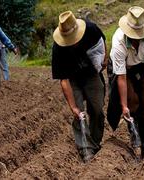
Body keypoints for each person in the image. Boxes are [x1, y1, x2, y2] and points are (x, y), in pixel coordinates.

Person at [108, 6, 144, 158]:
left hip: (140, 66)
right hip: (123, 70)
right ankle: (134, 134)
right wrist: (124, 106)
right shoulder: (118, 42)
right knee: (132, 101)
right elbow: (121, 77)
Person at [52, 11, 107, 163]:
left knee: (97, 109)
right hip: (72, 78)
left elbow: (102, 41)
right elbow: (63, 80)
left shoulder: (91, 29)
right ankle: (85, 148)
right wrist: (73, 107)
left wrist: (105, 59)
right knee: (79, 114)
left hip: (91, 73)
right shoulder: (58, 47)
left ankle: (95, 143)